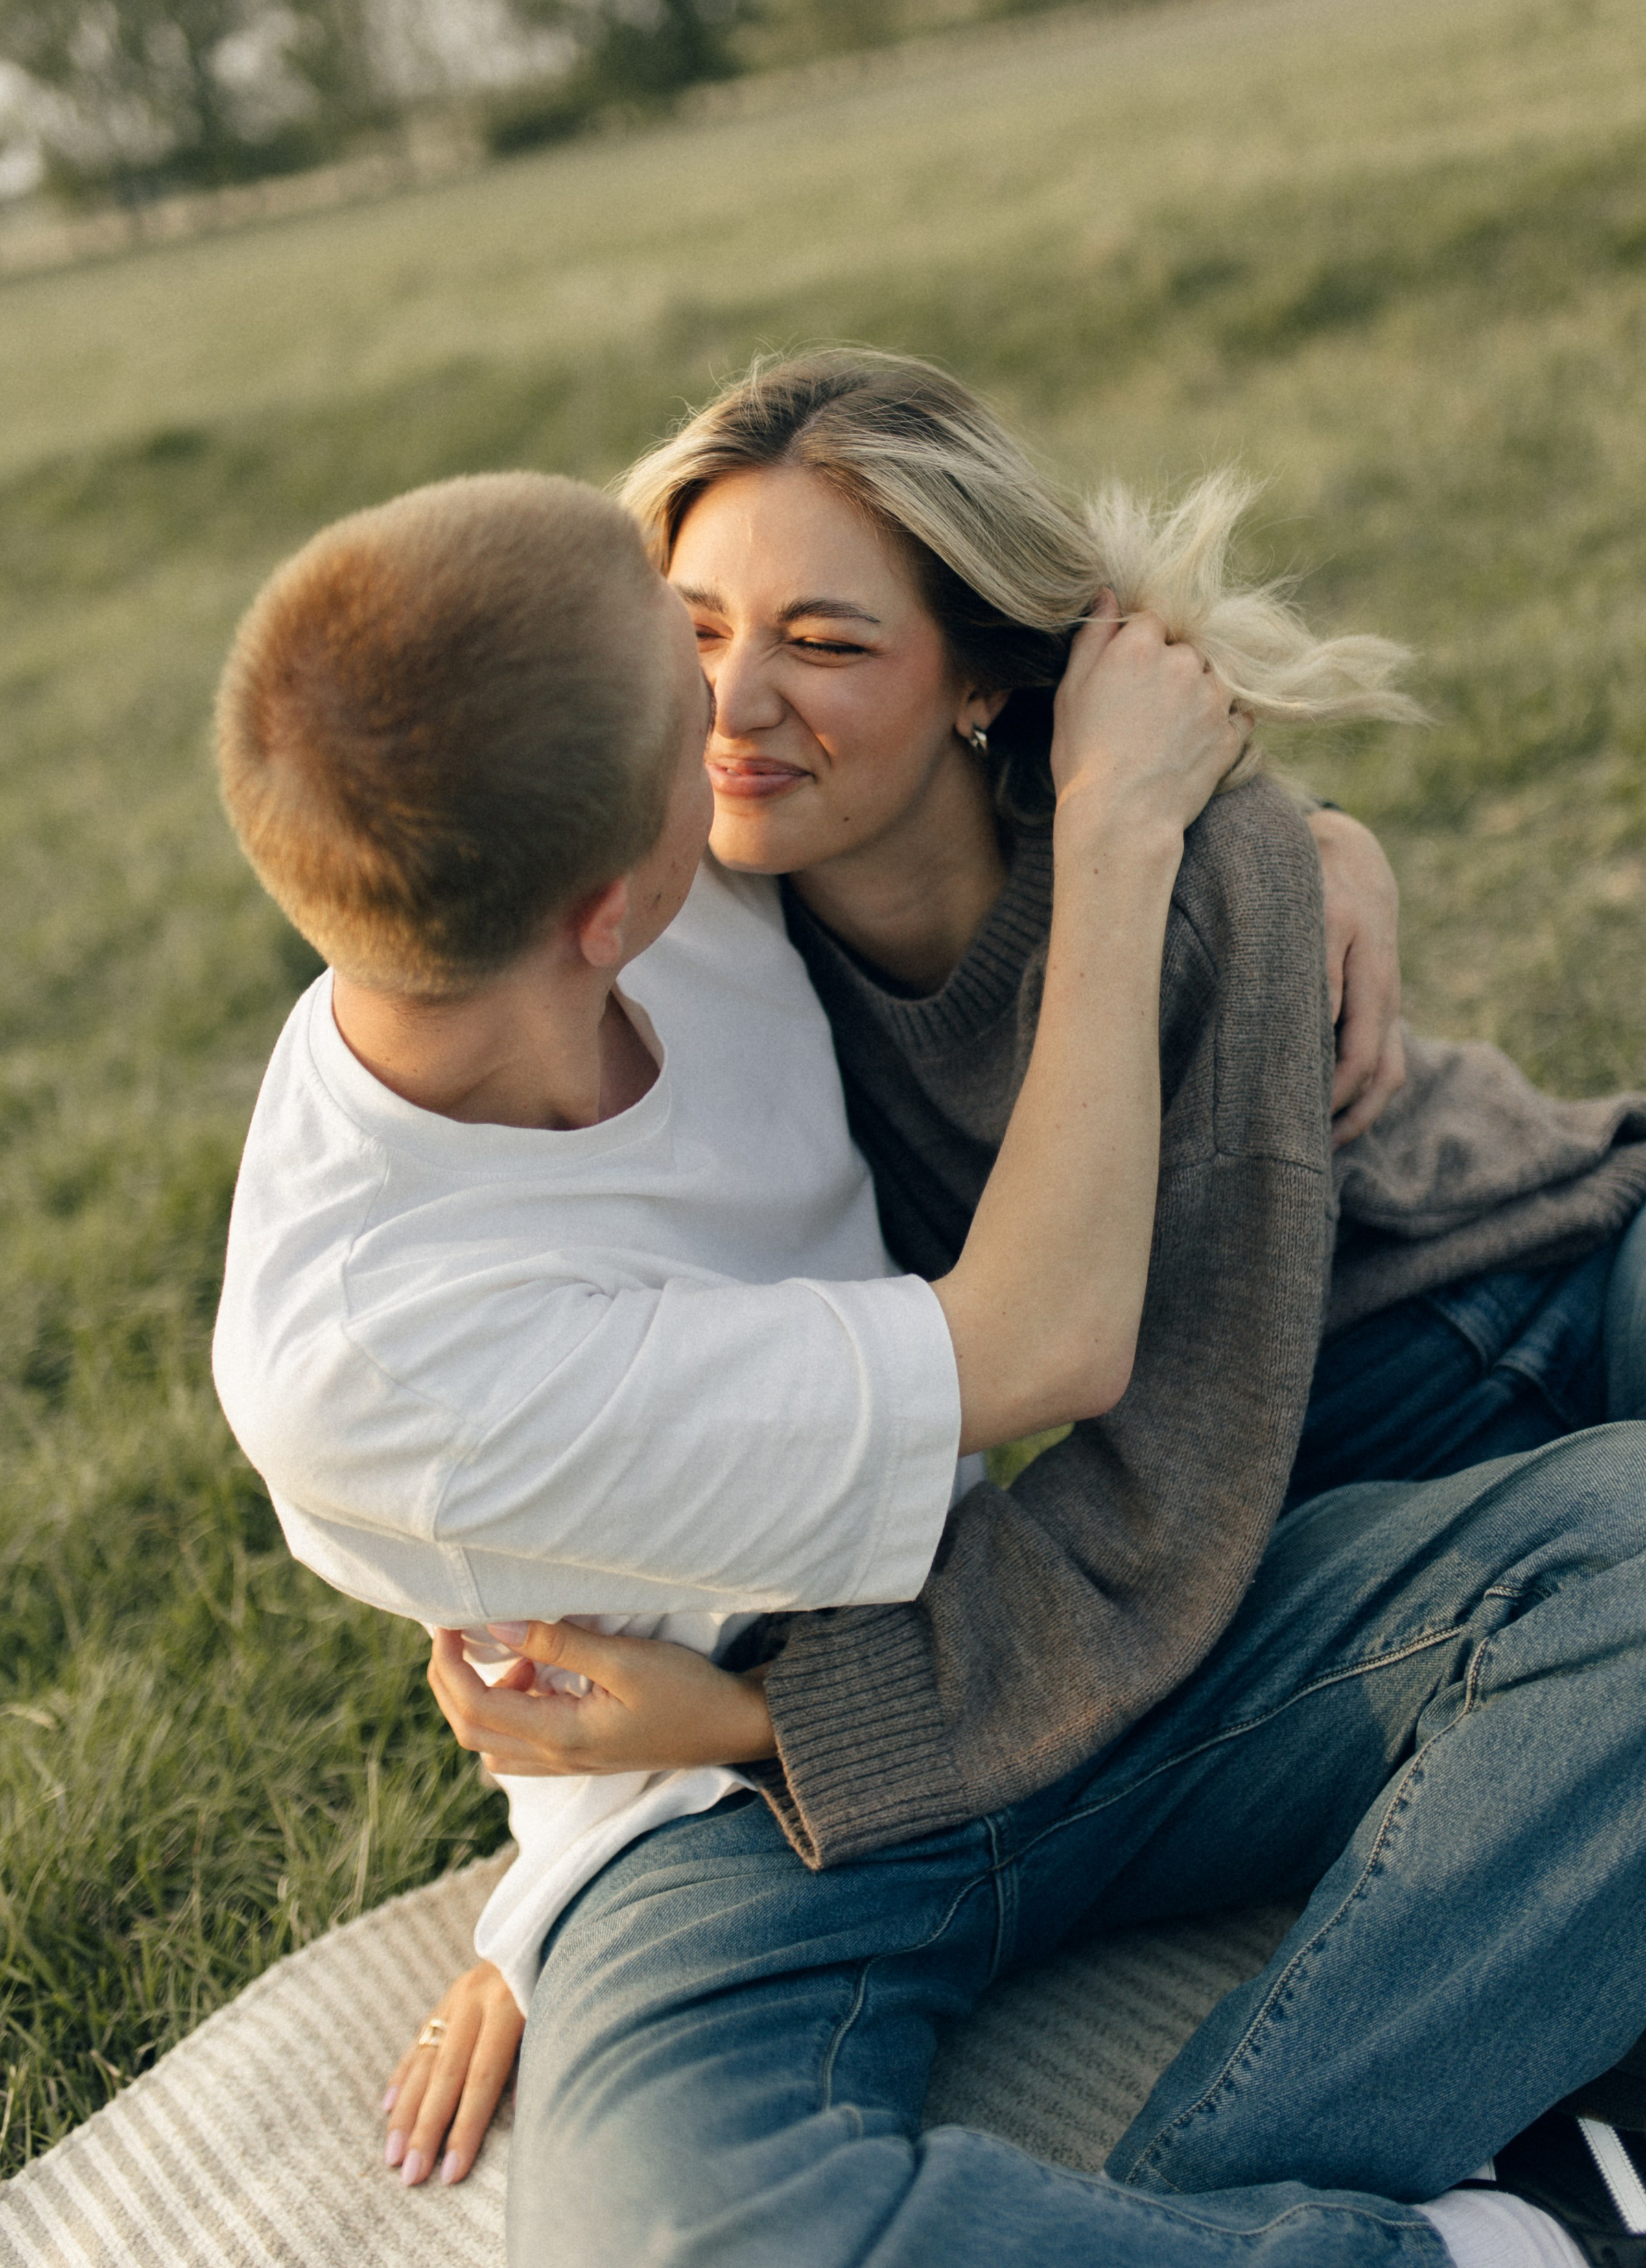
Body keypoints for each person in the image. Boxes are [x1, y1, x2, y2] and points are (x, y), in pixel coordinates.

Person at [398, 355, 1646, 2268]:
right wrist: (549, 1886)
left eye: (826, 641)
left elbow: (1169, 1478)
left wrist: (758, 1720)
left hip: (1513, 1298)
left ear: (983, 677)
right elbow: (586, 1416)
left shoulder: (1180, 858)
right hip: (1302, 1485)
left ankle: (1251, 2199)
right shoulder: (701, 944)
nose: (738, 704)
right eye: (697, 631)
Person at [209, 463, 1247, 2149]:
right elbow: (1048, 1340)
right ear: (604, 908)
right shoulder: (379, 1360)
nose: (735, 718)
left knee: (1601, 1576)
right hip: (706, 1807)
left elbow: (928, 704)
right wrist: (1130, 847)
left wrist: (1287, 856)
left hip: (1063, 1612)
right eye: (690, 687)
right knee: (690, 2232)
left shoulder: (582, 869)